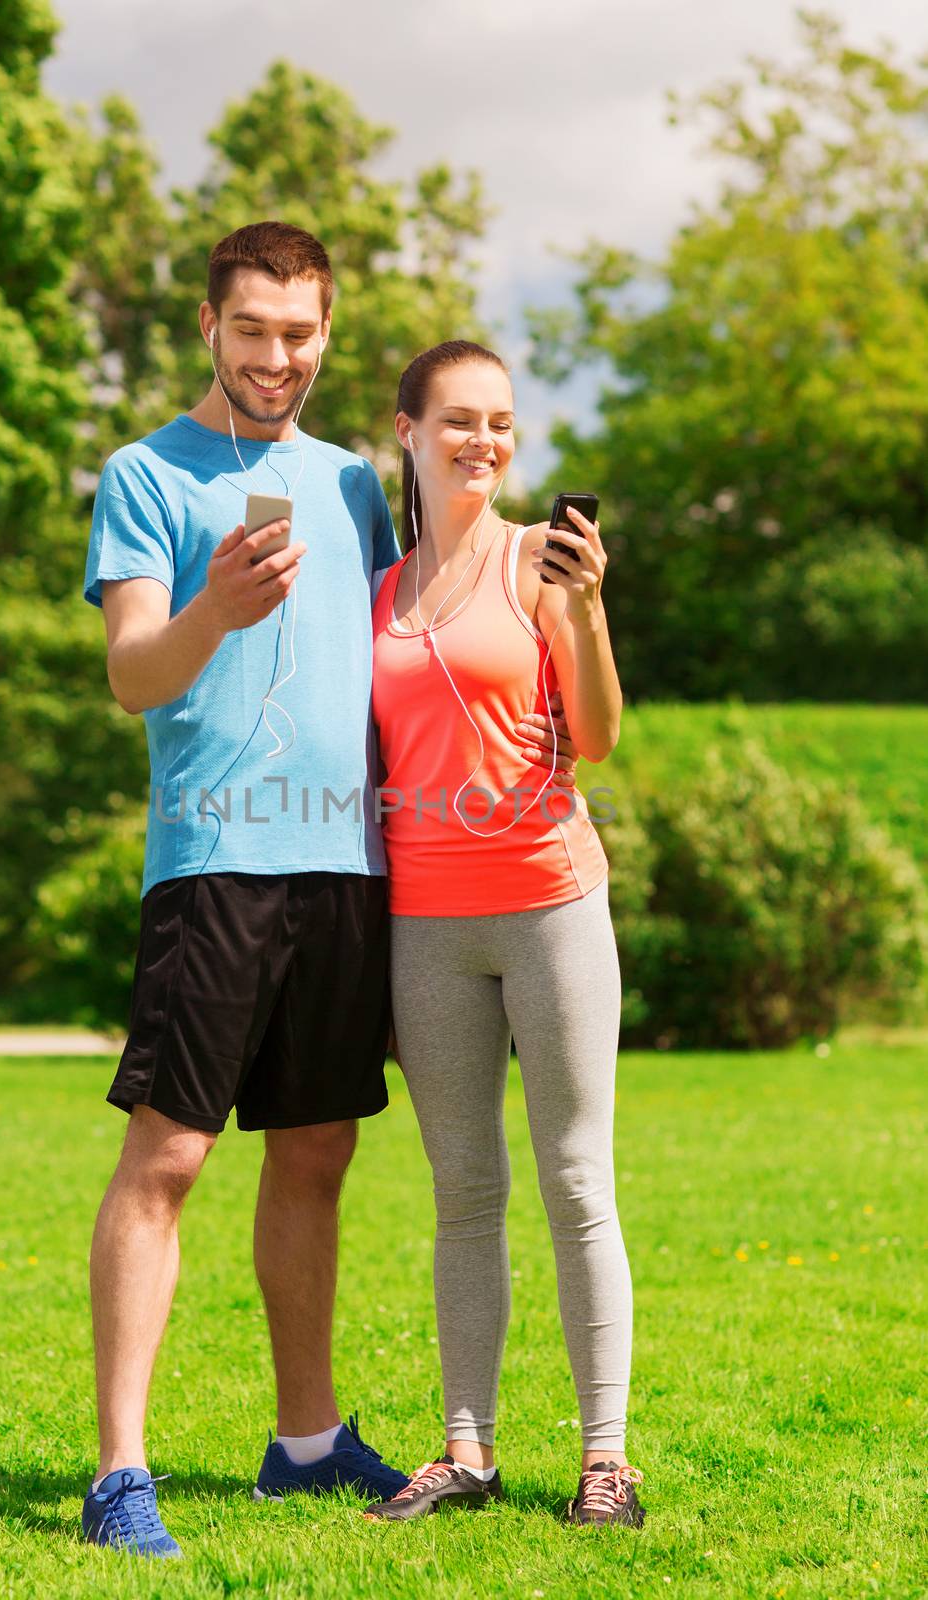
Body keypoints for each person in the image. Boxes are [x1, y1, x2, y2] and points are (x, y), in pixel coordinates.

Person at [79, 227, 576, 1558]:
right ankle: (119, 1474)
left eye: (301, 334)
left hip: (351, 867)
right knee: (169, 1156)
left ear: (325, 334)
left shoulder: (351, 484)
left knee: (318, 1152)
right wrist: (213, 617)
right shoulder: (143, 477)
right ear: (209, 328)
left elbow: (439, 601)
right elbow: (134, 673)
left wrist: (563, 620)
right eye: (254, 331)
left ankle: (304, 1447)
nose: (278, 358)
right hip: (215, 860)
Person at [363, 341, 646, 1529]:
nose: (485, 441)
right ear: (410, 433)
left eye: (503, 423)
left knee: (578, 1179)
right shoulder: (379, 592)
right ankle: (467, 1450)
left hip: (548, 906)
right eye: (461, 421)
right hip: (426, 923)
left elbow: (600, 729)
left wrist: (581, 609)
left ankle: (605, 1462)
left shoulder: (540, 563)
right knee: (465, 1188)